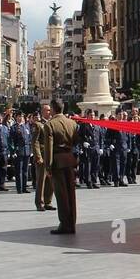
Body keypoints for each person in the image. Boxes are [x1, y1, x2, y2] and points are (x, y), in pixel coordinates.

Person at [45, 99, 79, 235]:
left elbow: (48, 148)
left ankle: (65, 224)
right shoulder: (72, 123)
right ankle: (72, 223)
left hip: (58, 161)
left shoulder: (50, 125)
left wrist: (48, 167)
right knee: (71, 193)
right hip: (70, 159)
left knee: (61, 194)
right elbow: (76, 142)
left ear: (53, 109)